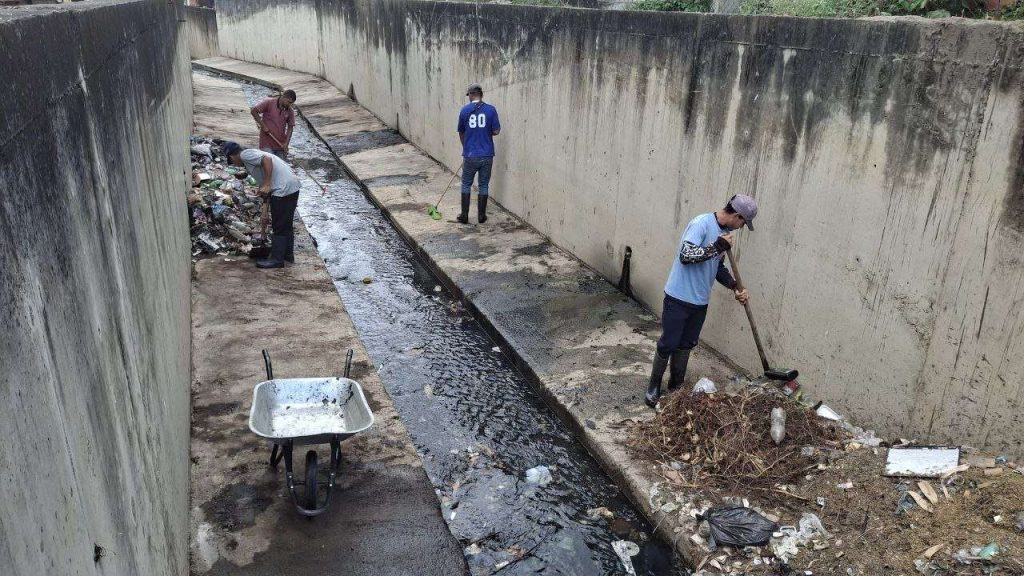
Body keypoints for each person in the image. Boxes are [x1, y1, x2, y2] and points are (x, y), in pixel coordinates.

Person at [644, 195, 759, 408]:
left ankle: (676, 386)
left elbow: (717, 268)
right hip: (678, 297)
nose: (742, 227)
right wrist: (717, 246)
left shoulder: (724, 235)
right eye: (743, 222)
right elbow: (686, 256)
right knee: (669, 343)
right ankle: (653, 386)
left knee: (687, 344)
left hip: (699, 302)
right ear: (737, 215)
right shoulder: (701, 224)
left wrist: (735, 286)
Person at [222, 141, 302, 269]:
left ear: (232, 156)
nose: (235, 165)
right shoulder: (251, 156)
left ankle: (277, 260)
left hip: (283, 189)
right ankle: (287, 255)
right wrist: (263, 188)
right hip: (291, 186)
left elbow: (267, 160)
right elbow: (264, 171)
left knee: (279, 226)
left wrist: (267, 183)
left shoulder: (245, 155)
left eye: (232, 162)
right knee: (286, 224)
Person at [456, 84, 501, 224]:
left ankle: (464, 215)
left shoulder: (464, 111)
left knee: (466, 184)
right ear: (481, 94)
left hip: (470, 155)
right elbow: (496, 131)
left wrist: (467, 147)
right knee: (483, 185)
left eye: (468, 95)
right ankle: (481, 216)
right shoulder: (491, 110)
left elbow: (461, 132)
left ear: (471, 94)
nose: (468, 97)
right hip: (487, 154)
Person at [250, 89, 296, 159]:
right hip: (266, 143)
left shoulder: (290, 110)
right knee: (270, 161)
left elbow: (290, 127)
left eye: (291, 103)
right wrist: (263, 125)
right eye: (289, 102)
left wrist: (286, 144)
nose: (289, 105)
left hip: (280, 144)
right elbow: (254, 111)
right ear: (283, 97)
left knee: (282, 164)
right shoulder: (269, 102)